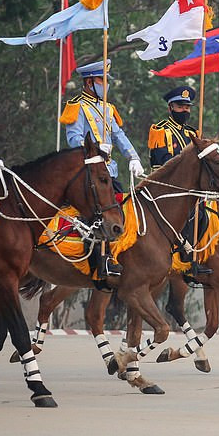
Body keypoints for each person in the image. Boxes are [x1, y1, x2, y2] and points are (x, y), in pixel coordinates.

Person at [59, 60, 143, 281]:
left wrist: (133, 157)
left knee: (121, 210)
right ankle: (98, 259)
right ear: (89, 82)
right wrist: (96, 148)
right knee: (93, 214)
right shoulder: (77, 106)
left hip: (109, 172)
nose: (106, 85)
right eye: (101, 80)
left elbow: (119, 136)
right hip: (87, 173)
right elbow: (74, 139)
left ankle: (120, 255)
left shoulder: (107, 108)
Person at [148, 86, 211, 282]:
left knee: (203, 217)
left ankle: (189, 258)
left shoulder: (193, 133)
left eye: (188, 107)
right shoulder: (160, 130)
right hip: (166, 189)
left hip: (189, 191)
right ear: (171, 107)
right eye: (181, 106)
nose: (185, 110)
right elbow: (160, 161)